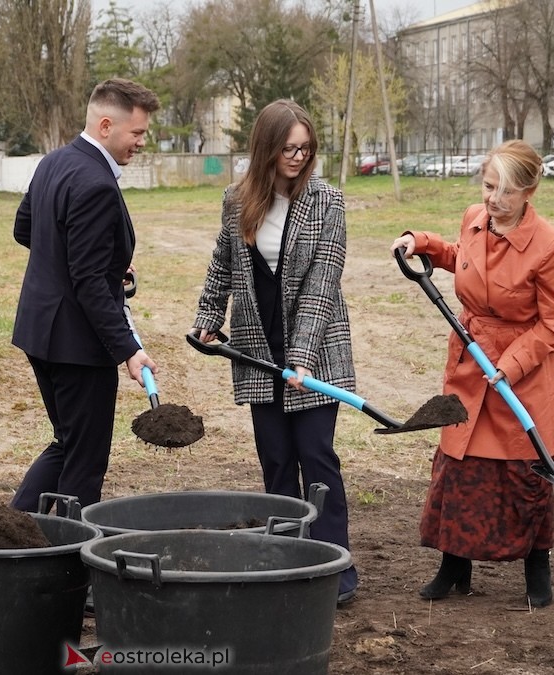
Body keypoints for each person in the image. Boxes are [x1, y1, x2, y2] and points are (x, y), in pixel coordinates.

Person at [390, 139, 554, 608]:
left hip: (521, 374)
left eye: (507, 191)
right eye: (489, 186)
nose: (494, 200)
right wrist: (422, 243)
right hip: (471, 364)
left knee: (522, 470)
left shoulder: (551, 245)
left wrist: (511, 365)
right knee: (459, 465)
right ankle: (454, 565)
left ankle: (537, 564)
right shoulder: (475, 218)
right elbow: (462, 257)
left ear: (529, 191)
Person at [191, 99, 359, 606]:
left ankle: (335, 568)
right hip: (258, 348)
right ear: (266, 148)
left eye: (305, 149)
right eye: (288, 148)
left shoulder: (327, 201)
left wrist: (304, 358)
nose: (297, 157)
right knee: (276, 461)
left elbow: (322, 284)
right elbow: (223, 262)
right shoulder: (237, 199)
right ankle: (286, 560)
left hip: (316, 351)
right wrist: (207, 318)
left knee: (317, 458)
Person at [10, 79, 160, 512]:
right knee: (85, 458)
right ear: (107, 124)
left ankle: (8, 535)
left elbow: (26, 229)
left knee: (67, 443)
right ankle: (69, 560)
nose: (141, 142)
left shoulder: (53, 162)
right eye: (137, 133)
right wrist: (129, 350)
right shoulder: (96, 183)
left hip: (41, 332)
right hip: (77, 346)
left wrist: (101, 260)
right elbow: (90, 283)